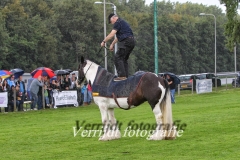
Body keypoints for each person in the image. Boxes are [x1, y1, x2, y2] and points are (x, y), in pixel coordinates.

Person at [100, 13, 135, 81]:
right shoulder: (123, 22)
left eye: (111, 21)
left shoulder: (117, 22)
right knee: (123, 59)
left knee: (118, 57)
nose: (112, 23)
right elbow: (119, 37)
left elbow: (112, 34)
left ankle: (122, 76)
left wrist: (104, 41)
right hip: (132, 41)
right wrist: (112, 44)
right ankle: (126, 77)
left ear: (113, 18)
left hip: (126, 41)